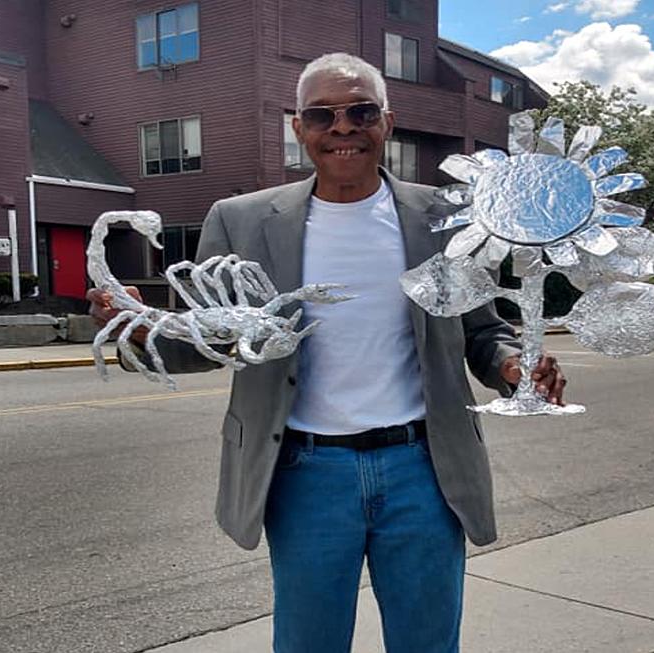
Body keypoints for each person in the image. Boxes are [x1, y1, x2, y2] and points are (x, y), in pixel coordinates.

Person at [88, 52, 566, 653]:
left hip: (424, 468)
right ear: (298, 128)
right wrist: (136, 329)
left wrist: (512, 367)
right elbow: (210, 343)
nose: (343, 127)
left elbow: (479, 330)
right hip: (305, 474)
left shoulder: (445, 218)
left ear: (386, 122)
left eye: (361, 111)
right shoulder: (240, 221)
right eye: (323, 115)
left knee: (428, 643)